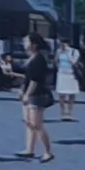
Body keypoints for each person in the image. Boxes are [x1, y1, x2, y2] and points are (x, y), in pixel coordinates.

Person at [17, 31, 55, 161]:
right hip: (30, 92)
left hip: (37, 94)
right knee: (29, 122)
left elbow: (35, 80)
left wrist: (27, 93)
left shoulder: (39, 59)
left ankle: (48, 151)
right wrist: (22, 89)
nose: (24, 43)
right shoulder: (31, 58)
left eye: (26, 41)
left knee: (36, 123)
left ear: (34, 44)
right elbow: (27, 78)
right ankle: (29, 149)